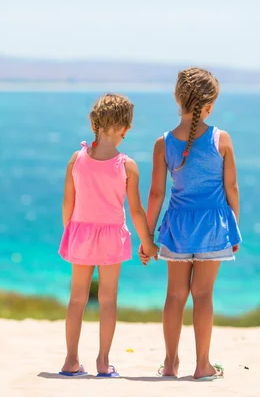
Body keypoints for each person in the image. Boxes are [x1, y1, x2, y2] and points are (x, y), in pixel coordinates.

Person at [139, 67, 242, 380]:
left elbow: (156, 194)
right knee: (203, 296)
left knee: (174, 296)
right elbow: (232, 188)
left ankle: (170, 364)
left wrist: (147, 239)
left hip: (177, 230)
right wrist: (234, 228)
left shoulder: (163, 143)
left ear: (177, 99)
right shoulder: (221, 139)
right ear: (209, 105)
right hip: (213, 228)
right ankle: (202, 365)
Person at [58, 93, 159, 378]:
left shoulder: (76, 158)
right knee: (108, 300)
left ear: (95, 123)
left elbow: (68, 203)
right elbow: (137, 211)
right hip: (112, 236)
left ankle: (70, 360)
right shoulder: (127, 166)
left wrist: (71, 232)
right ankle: (103, 362)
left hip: (80, 232)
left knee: (76, 299)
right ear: (126, 128)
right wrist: (148, 243)